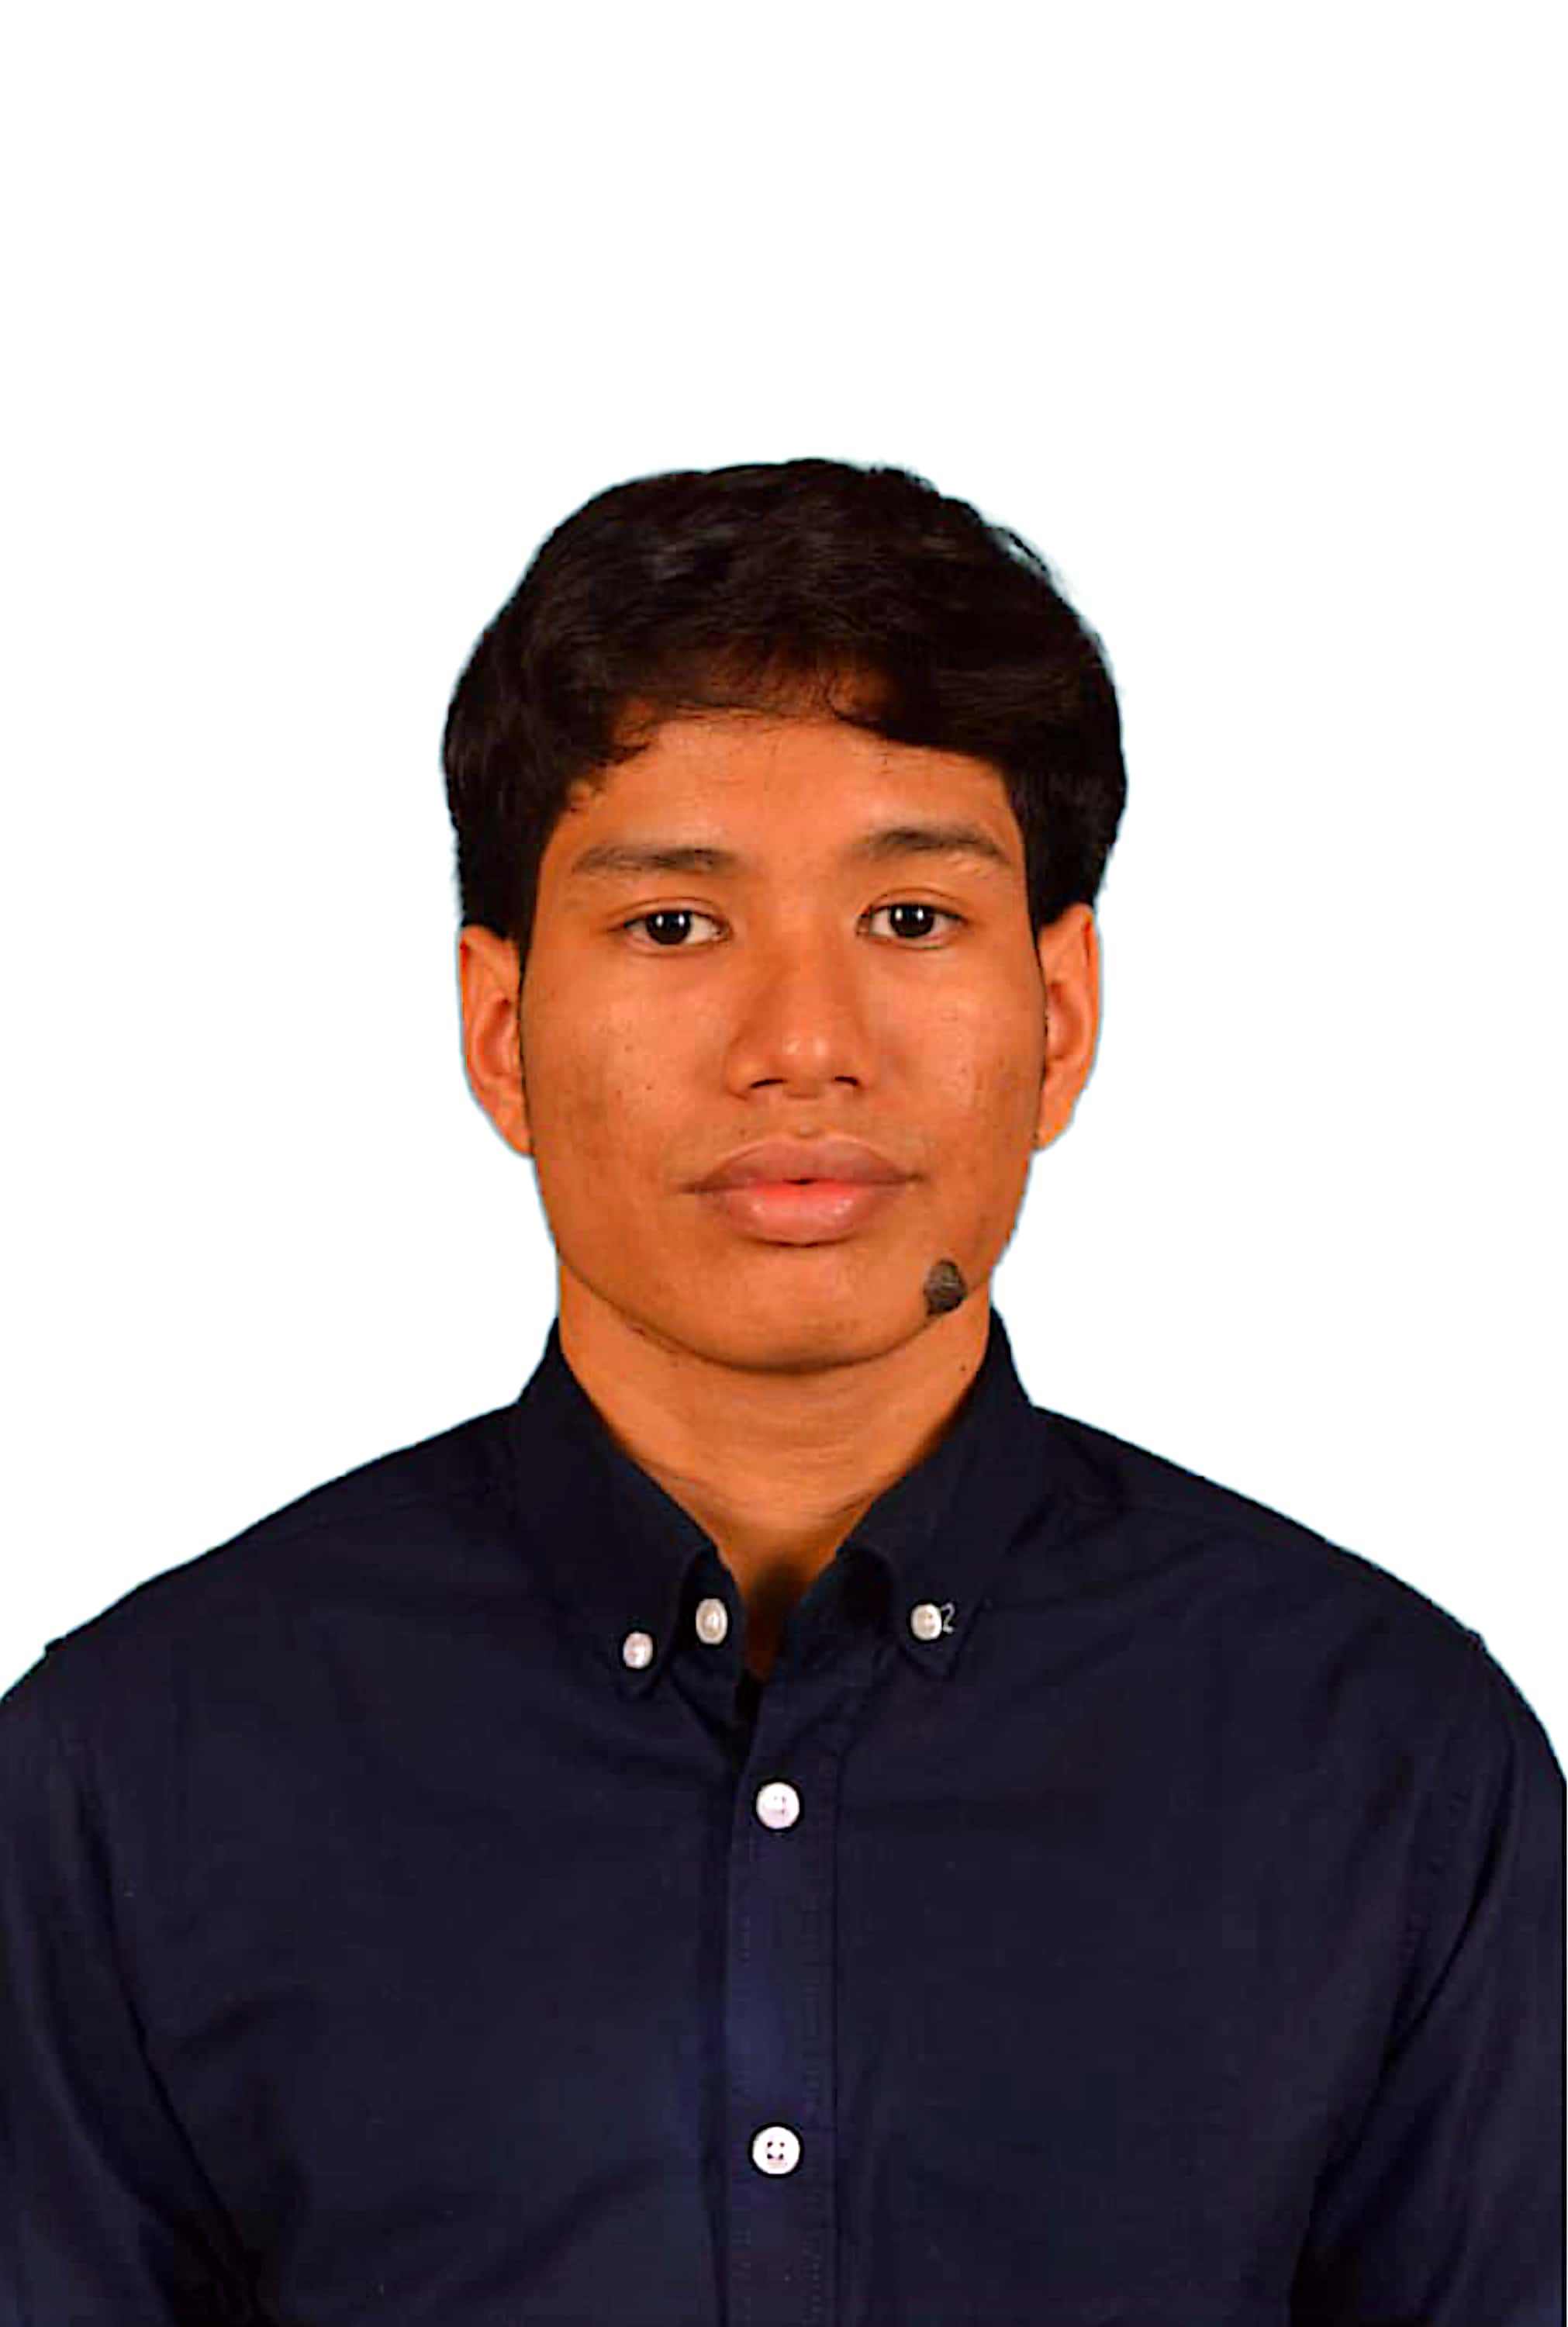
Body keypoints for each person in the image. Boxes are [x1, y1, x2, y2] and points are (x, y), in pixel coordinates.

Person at [1, 457, 1559, 2324]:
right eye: (675, 925)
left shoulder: (1390, 1765)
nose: (802, 1045)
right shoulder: (134, 1781)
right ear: (500, 1029)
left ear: (1062, 1015)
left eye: (911, 920)